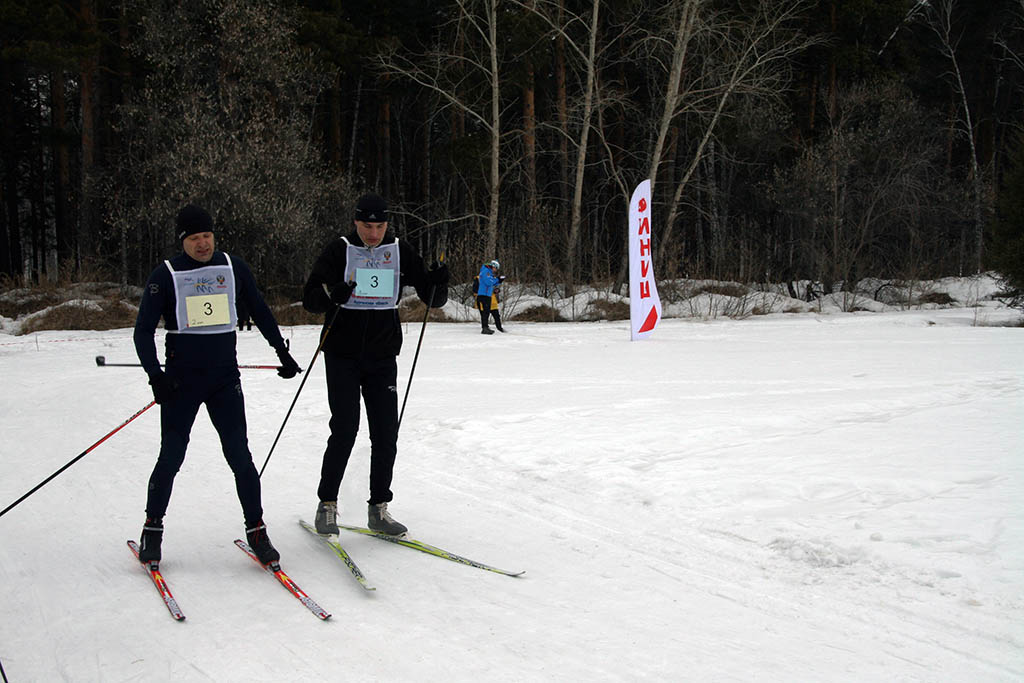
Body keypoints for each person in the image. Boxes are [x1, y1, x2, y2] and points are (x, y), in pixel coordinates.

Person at [133, 204, 301, 566]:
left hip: (224, 379)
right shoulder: (166, 274)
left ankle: (256, 530)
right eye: (194, 238)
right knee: (172, 456)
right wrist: (155, 377)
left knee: (240, 454)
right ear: (183, 241)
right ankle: (152, 529)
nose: (203, 244)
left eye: (207, 236)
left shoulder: (232, 266)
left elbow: (258, 308)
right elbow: (143, 331)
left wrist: (281, 351)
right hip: (181, 382)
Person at [302, 193, 449, 536]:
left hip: (382, 356)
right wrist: (331, 296)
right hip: (342, 353)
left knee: (386, 433)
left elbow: (433, 298)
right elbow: (311, 296)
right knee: (345, 429)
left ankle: (378, 508)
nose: (373, 234)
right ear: (356, 223)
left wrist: (440, 279)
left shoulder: (398, 250)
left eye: (380, 226)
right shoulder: (339, 249)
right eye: (367, 226)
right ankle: (327, 504)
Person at [473, 260, 505, 333]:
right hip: (484, 295)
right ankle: (485, 328)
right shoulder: (486, 272)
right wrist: (497, 279)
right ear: (493, 266)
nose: (496, 270)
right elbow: (489, 282)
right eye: (496, 268)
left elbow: (492, 283)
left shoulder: (489, 273)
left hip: (487, 294)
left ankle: (486, 327)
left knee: (486, 312)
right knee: (485, 312)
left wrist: (499, 280)